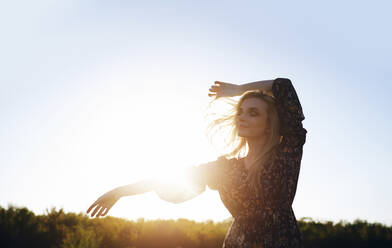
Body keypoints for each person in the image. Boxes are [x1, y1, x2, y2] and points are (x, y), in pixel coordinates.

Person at [87, 78, 307, 248]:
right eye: (240, 111)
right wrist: (120, 191)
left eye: (253, 113)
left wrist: (237, 90)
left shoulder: (285, 154)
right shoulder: (225, 168)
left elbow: (284, 87)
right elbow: (172, 178)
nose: (242, 117)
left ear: (269, 124)